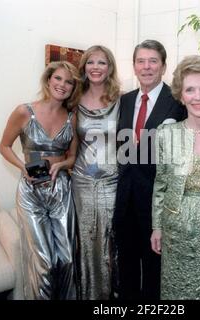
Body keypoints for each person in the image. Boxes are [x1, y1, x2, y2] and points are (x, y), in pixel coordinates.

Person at [150, 55, 200, 300]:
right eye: (190, 90)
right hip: (175, 225)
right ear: (181, 95)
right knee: (175, 289)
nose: (198, 96)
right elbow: (161, 183)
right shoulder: (167, 133)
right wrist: (157, 227)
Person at [0, 61, 80, 299]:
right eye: (58, 79)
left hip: (61, 190)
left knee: (65, 260)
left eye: (68, 82)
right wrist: (22, 167)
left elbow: (73, 156)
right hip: (31, 191)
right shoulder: (24, 111)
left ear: (73, 88)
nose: (62, 85)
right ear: (48, 80)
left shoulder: (72, 117)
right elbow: (3, 146)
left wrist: (62, 164)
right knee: (44, 262)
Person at [113, 39, 187, 300]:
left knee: (156, 273)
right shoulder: (124, 101)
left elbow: (182, 160)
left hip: (158, 205)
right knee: (127, 270)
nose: (147, 67)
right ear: (134, 66)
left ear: (164, 66)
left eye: (153, 61)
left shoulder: (178, 103)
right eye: (141, 61)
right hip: (125, 202)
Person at [71, 45, 121, 300]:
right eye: (91, 62)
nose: (96, 67)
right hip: (81, 180)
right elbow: (69, 143)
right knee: (86, 240)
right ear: (84, 67)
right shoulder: (74, 100)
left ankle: (112, 297)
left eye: (102, 63)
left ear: (109, 68)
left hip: (113, 180)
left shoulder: (121, 100)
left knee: (110, 241)